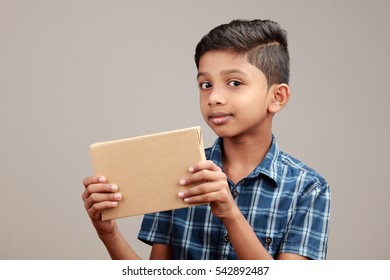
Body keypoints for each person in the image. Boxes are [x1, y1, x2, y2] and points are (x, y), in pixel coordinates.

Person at [82, 19, 330, 260]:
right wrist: (109, 233)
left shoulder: (307, 189)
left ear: (277, 97)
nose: (214, 97)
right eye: (206, 84)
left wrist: (230, 214)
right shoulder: (178, 170)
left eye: (234, 83)